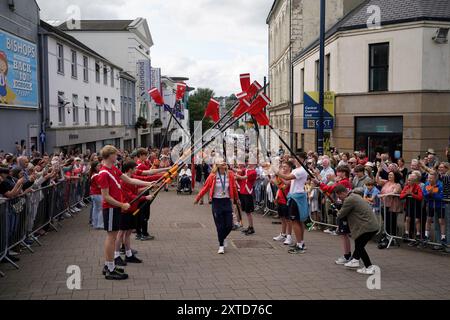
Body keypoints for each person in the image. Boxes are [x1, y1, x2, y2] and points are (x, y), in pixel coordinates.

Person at [97, 145, 154, 280]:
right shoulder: (104, 173)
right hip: (110, 208)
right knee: (111, 238)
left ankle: (109, 265)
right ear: (110, 155)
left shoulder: (114, 169)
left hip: (115, 208)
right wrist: (122, 204)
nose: (117, 156)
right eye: (116, 154)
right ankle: (110, 268)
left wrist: (149, 184)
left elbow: (130, 180)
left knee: (114, 236)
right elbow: (105, 196)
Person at [333, 184, 380, 275]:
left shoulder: (349, 199)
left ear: (343, 193)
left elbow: (341, 214)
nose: (339, 198)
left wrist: (335, 211)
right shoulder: (354, 196)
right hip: (370, 225)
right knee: (359, 245)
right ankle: (355, 260)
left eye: (339, 196)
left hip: (366, 227)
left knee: (359, 246)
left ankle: (369, 267)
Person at [194, 158, 238, 254]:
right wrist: (198, 198)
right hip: (216, 202)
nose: (224, 164)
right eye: (222, 162)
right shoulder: (213, 176)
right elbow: (205, 188)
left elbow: (233, 187)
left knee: (230, 225)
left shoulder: (229, 175)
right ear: (217, 165)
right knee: (220, 225)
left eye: (225, 162)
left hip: (226, 201)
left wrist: (236, 199)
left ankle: (223, 237)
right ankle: (221, 245)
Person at [314, 166, 353, 265]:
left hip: (344, 208)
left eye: (339, 172)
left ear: (344, 173)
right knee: (343, 234)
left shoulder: (344, 182)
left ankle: (347, 255)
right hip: (343, 206)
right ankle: (347, 255)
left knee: (344, 234)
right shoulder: (344, 181)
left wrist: (319, 183)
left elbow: (330, 188)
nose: (337, 174)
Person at [114, 161, 149, 267]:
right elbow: (129, 197)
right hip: (125, 210)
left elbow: (136, 191)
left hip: (132, 209)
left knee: (128, 233)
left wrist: (147, 188)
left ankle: (128, 255)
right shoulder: (124, 180)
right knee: (121, 233)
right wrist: (145, 197)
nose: (135, 170)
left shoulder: (131, 177)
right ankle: (116, 256)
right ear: (129, 169)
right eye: (134, 168)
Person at [275, 153, 309, 255]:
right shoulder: (296, 170)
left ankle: (300, 244)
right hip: (294, 196)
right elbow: (287, 182)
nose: (296, 160)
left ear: (303, 160)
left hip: (297, 197)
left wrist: (277, 171)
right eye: (295, 158)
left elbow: (287, 177)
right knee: (298, 221)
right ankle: (301, 243)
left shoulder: (301, 170)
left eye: (299, 159)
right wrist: (277, 178)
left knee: (295, 221)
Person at [272, 161, 293, 245]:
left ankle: (289, 236)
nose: (283, 168)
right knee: (282, 218)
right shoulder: (281, 176)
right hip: (280, 199)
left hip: (287, 200)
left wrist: (278, 177)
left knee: (288, 220)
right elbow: (279, 188)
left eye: (285, 166)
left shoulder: (290, 176)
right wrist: (276, 197)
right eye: (283, 166)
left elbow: (285, 185)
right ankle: (283, 234)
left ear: (289, 168)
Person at [422, 171, 445, 246]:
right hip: (430, 205)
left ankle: (443, 237)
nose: (429, 179)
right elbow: (425, 195)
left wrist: (432, 193)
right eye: (428, 178)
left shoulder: (440, 185)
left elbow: (441, 197)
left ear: (435, 178)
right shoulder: (426, 184)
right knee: (428, 219)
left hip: (440, 205)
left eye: (431, 178)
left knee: (441, 221)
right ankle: (426, 235)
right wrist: (429, 193)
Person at [400, 173, 423, 244]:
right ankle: (406, 233)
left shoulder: (417, 187)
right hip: (409, 206)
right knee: (407, 219)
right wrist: (407, 194)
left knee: (417, 220)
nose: (408, 181)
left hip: (417, 206)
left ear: (414, 181)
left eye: (410, 180)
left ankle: (418, 234)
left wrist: (412, 194)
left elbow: (420, 197)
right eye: (408, 180)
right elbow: (401, 196)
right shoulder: (406, 186)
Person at [235, 163, 257, 235]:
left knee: (248, 212)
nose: (248, 163)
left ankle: (251, 227)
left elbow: (243, 177)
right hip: (243, 192)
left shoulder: (253, 172)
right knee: (246, 212)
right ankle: (249, 226)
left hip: (248, 193)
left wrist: (235, 175)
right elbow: (240, 170)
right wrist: (231, 168)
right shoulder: (247, 169)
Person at [89, 161, 104, 230]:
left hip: (94, 193)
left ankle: (95, 223)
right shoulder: (96, 175)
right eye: (98, 166)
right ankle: (99, 224)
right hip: (97, 193)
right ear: (95, 167)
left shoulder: (94, 174)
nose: (100, 167)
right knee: (100, 208)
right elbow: (99, 185)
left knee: (96, 209)